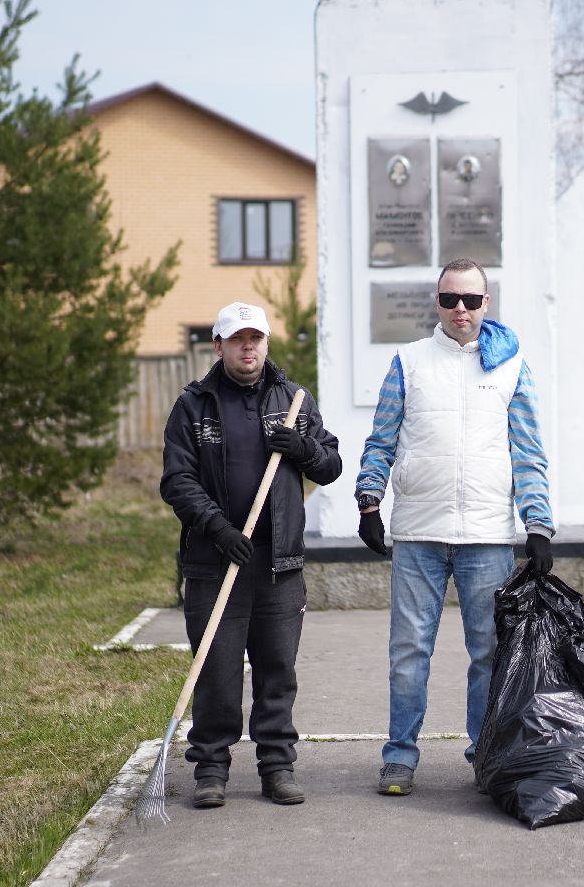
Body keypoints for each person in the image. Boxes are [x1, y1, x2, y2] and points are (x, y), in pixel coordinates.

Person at [355, 257, 554, 796]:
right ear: (437, 302)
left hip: (487, 538)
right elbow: (381, 440)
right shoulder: (408, 362)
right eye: (449, 299)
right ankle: (399, 757)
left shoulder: (512, 367)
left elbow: (528, 453)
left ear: (486, 303)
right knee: (408, 653)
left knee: (488, 654)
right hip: (418, 533)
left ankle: (483, 755)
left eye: (470, 299)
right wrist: (369, 502)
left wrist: (538, 524)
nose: (459, 309)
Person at [161, 301, 342, 809]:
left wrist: (304, 449)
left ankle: (277, 767)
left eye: (255, 338)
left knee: (277, 670)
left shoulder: (293, 400)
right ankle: (211, 769)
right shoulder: (193, 406)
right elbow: (177, 481)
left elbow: (330, 466)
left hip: (278, 565)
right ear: (218, 345)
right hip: (215, 563)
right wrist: (218, 529)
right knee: (216, 672)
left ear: (266, 342)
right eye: (238, 339)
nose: (248, 348)